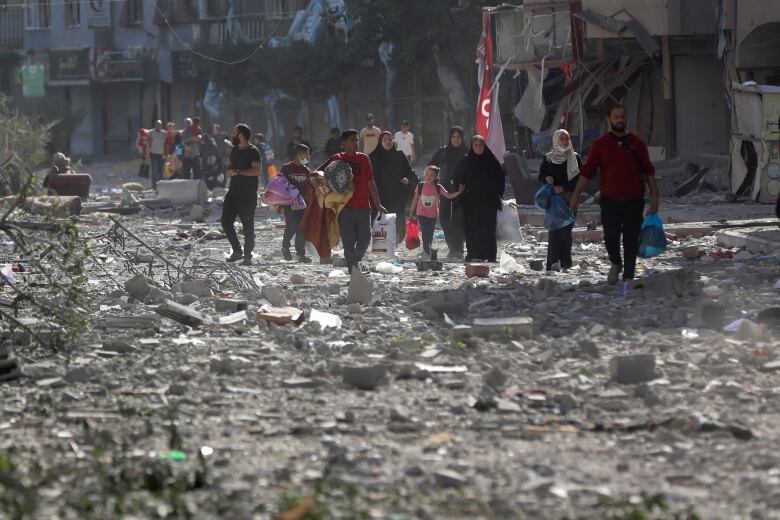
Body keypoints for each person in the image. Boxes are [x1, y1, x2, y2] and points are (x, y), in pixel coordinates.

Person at [570, 104, 659, 284]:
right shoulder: (600, 145)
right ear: (609, 120)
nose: (620, 120)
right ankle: (616, 263)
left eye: (622, 117)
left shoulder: (637, 144)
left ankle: (628, 278)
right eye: (616, 117)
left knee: (631, 240)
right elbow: (587, 172)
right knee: (611, 237)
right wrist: (575, 196)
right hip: (610, 201)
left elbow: (649, 171)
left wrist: (655, 197)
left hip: (634, 200)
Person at [318, 129, 388, 273]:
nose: (356, 143)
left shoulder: (364, 159)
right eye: (352, 140)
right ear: (343, 143)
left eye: (357, 140)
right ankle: (353, 269)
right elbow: (319, 174)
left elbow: (370, 182)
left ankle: (353, 262)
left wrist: (378, 204)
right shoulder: (336, 159)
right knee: (348, 242)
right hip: (345, 208)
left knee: (365, 240)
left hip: (363, 207)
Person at [452, 135, 506, 263]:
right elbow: (456, 176)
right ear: (472, 146)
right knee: (472, 227)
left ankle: (489, 254)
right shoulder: (466, 160)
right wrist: (460, 185)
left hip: (489, 200)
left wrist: (499, 192)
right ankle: (473, 254)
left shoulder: (491, 160)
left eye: (480, 145)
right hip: (471, 201)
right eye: (475, 145)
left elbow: (501, 176)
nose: (478, 147)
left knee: (488, 227)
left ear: (484, 146)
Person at [539, 129, 581, 272]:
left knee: (565, 232)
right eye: (561, 139)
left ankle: (566, 264)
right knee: (554, 233)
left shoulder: (574, 158)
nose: (564, 141)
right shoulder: (549, 158)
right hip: (553, 201)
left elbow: (579, 180)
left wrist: (563, 187)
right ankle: (552, 264)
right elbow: (541, 175)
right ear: (556, 140)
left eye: (566, 139)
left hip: (570, 199)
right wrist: (546, 178)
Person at [222, 124, 262, 266]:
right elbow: (229, 168)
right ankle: (237, 251)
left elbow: (256, 171)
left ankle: (247, 256)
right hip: (233, 193)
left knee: (247, 226)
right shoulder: (234, 150)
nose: (232, 135)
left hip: (247, 195)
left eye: (234, 132)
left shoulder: (253, 151)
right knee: (225, 222)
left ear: (240, 135)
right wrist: (230, 172)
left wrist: (238, 172)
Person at [369, 131, 417, 244]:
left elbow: (409, 171)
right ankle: (384, 244)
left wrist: (407, 179)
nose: (388, 142)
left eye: (389, 139)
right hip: (379, 194)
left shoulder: (400, 155)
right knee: (380, 219)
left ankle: (396, 242)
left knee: (398, 220)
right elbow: (368, 176)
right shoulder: (373, 157)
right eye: (384, 140)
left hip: (397, 193)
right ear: (380, 142)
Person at [409, 165, 463, 260]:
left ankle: (427, 250)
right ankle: (426, 251)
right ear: (425, 174)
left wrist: (459, 192)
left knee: (430, 233)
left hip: (433, 215)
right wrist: (411, 211)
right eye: (427, 174)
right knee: (425, 232)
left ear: (437, 177)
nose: (429, 176)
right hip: (421, 213)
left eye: (432, 175)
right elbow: (415, 199)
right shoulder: (420, 185)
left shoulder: (438, 187)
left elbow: (448, 196)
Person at [431, 126, 468, 260]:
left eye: (458, 137)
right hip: (444, 190)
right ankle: (452, 246)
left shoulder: (467, 152)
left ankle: (458, 249)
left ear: (462, 138)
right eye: (453, 137)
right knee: (444, 219)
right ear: (450, 138)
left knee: (459, 220)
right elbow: (431, 168)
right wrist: (432, 183)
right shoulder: (442, 152)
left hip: (462, 191)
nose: (456, 139)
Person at [279, 144, 314, 263]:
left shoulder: (306, 170)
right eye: (307, 154)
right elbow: (279, 184)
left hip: (304, 204)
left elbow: (310, 187)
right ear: (300, 155)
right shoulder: (286, 168)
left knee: (302, 228)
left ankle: (300, 254)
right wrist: (278, 203)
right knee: (292, 227)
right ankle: (285, 247)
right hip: (290, 204)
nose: (309, 157)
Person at [148, 120, 166, 190]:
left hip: (162, 155)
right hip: (154, 154)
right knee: (154, 172)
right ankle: (154, 187)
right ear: (155, 125)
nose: (158, 126)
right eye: (157, 124)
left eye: (160, 125)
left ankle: (161, 187)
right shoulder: (151, 133)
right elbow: (147, 143)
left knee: (161, 172)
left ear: (161, 126)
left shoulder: (164, 133)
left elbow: (167, 144)